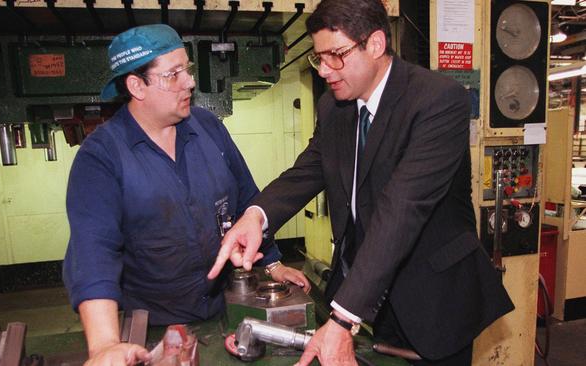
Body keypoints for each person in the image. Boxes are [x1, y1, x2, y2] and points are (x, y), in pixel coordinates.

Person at [208, 0, 514, 365]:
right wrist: (255, 216)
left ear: (375, 45)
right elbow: (307, 171)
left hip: (435, 297)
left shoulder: (436, 100)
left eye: (335, 55)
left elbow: (401, 209)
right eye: (318, 58)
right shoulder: (334, 108)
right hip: (371, 295)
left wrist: (341, 317)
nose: (324, 70)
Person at [62, 24, 310, 366]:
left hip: (230, 308)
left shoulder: (208, 128)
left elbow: (247, 202)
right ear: (137, 86)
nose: (190, 82)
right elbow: (92, 252)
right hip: (155, 328)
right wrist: (105, 344)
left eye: (188, 70)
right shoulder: (101, 156)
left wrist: (273, 262)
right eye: (173, 74)